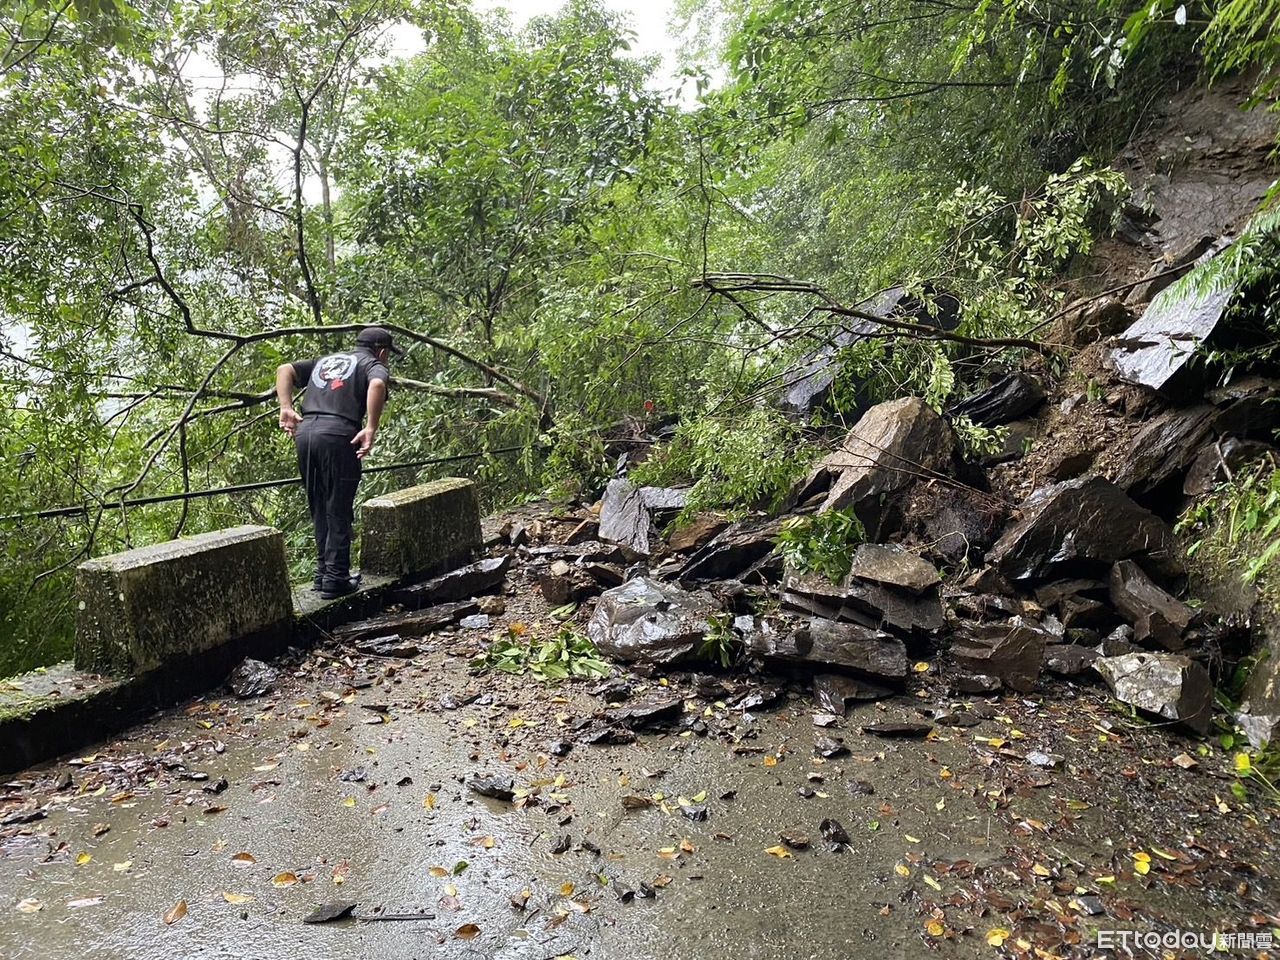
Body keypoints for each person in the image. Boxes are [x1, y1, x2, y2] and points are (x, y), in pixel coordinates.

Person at [276, 327, 399, 599]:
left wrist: (286, 407)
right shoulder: (373, 365)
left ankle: (323, 574)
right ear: (381, 351)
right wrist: (371, 427)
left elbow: (285, 369)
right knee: (338, 507)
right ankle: (336, 578)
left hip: (306, 433)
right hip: (338, 434)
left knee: (319, 505)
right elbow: (377, 385)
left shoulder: (327, 360)